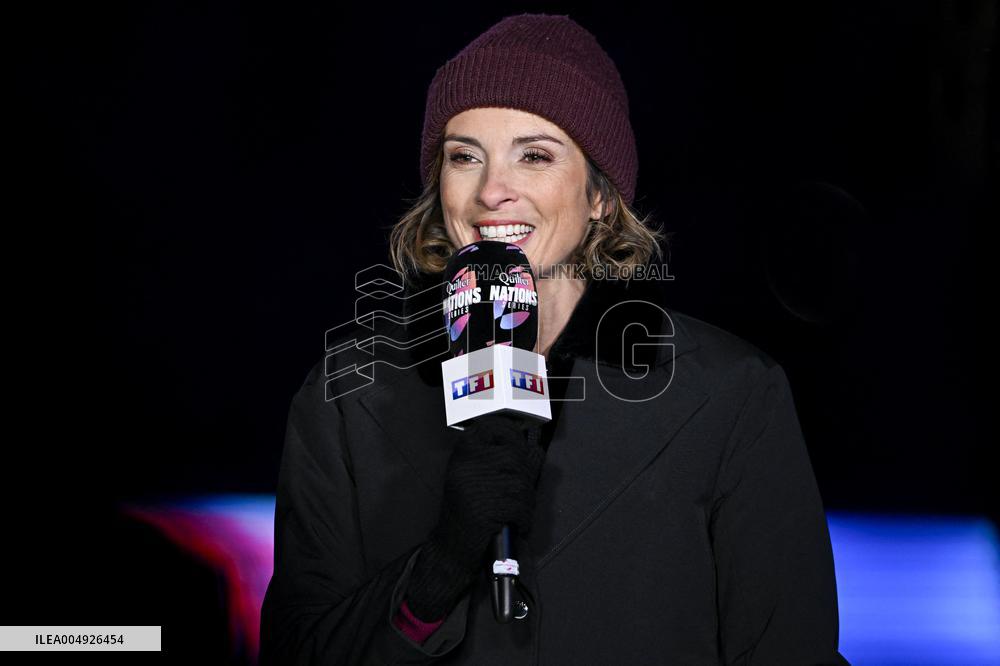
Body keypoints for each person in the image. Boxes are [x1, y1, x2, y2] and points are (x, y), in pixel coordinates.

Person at [259, 13, 850, 665]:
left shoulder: (730, 397)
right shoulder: (349, 394)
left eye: (533, 155)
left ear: (600, 194)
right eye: (464, 156)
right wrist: (438, 570)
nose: (491, 191)